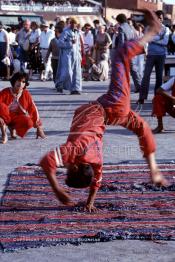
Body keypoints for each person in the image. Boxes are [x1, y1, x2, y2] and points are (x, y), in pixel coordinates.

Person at [40, 10, 168, 213]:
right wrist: (56, 189)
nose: (64, 168)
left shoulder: (95, 161)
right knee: (121, 55)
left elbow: (97, 179)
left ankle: (154, 171)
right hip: (110, 106)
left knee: (142, 128)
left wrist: (90, 201)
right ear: (74, 167)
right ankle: (153, 31)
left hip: (109, 112)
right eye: (67, 171)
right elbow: (46, 162)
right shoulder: (75, 151)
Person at [0, 72, 46, 144]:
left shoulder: (26, 94)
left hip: (17, 117)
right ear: (14, 81)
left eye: (23, 82)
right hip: (4, 116)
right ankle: (4, 133)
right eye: (18, 81)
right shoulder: (5, 92)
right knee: (1, 107)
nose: (20, 83)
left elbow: (33, 109)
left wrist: (39, 127)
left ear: (25, 84)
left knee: (28, 122)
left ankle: (13, 128)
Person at [138, 10, 170, 104]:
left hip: (161, 55)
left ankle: (157, 98)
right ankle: (142, 98)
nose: (159, 20)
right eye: (157, 18)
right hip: (151, 55)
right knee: (146, 76)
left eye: (161, 18)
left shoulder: (166, 29)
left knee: (159, 78)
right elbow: (146, 39)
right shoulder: (149, 28)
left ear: (163, 19)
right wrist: (158, 38)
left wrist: (153, 39)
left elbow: (165, 42)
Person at [55, 17, 83, 94]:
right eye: (72, 23)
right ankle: (60, 85)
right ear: (70, 24)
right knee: (67, 72)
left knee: (76, 72)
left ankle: (75, 89)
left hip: (76, 55)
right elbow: (60, 43)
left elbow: (79, 45)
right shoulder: (65, 32)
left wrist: (80, 54)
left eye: (75, 23)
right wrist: (70, 43)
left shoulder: (78, 32)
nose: (74, 25)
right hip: (67, 55)